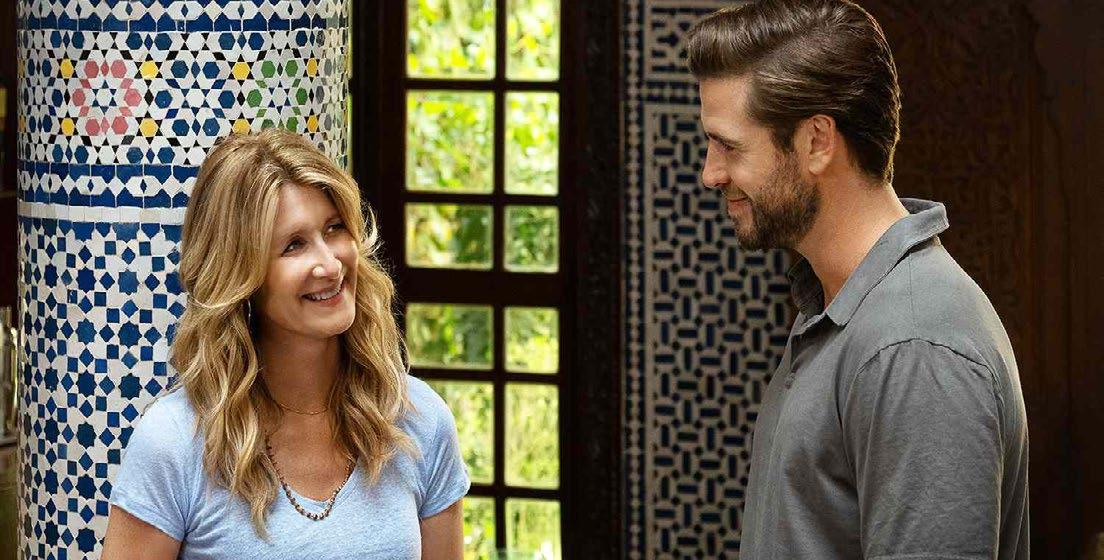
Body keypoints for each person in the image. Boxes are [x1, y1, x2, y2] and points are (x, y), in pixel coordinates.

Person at [687, 1, 1029, 558]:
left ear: (817, 141)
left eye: (728, 145)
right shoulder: (839, 307)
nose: (710, 173)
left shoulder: (914, 347)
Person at [101, 129, 469, 559]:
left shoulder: (419, 421)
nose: (330, 265)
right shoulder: (175, 442)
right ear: (242, 273)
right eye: (294, 245)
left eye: (334, 229)